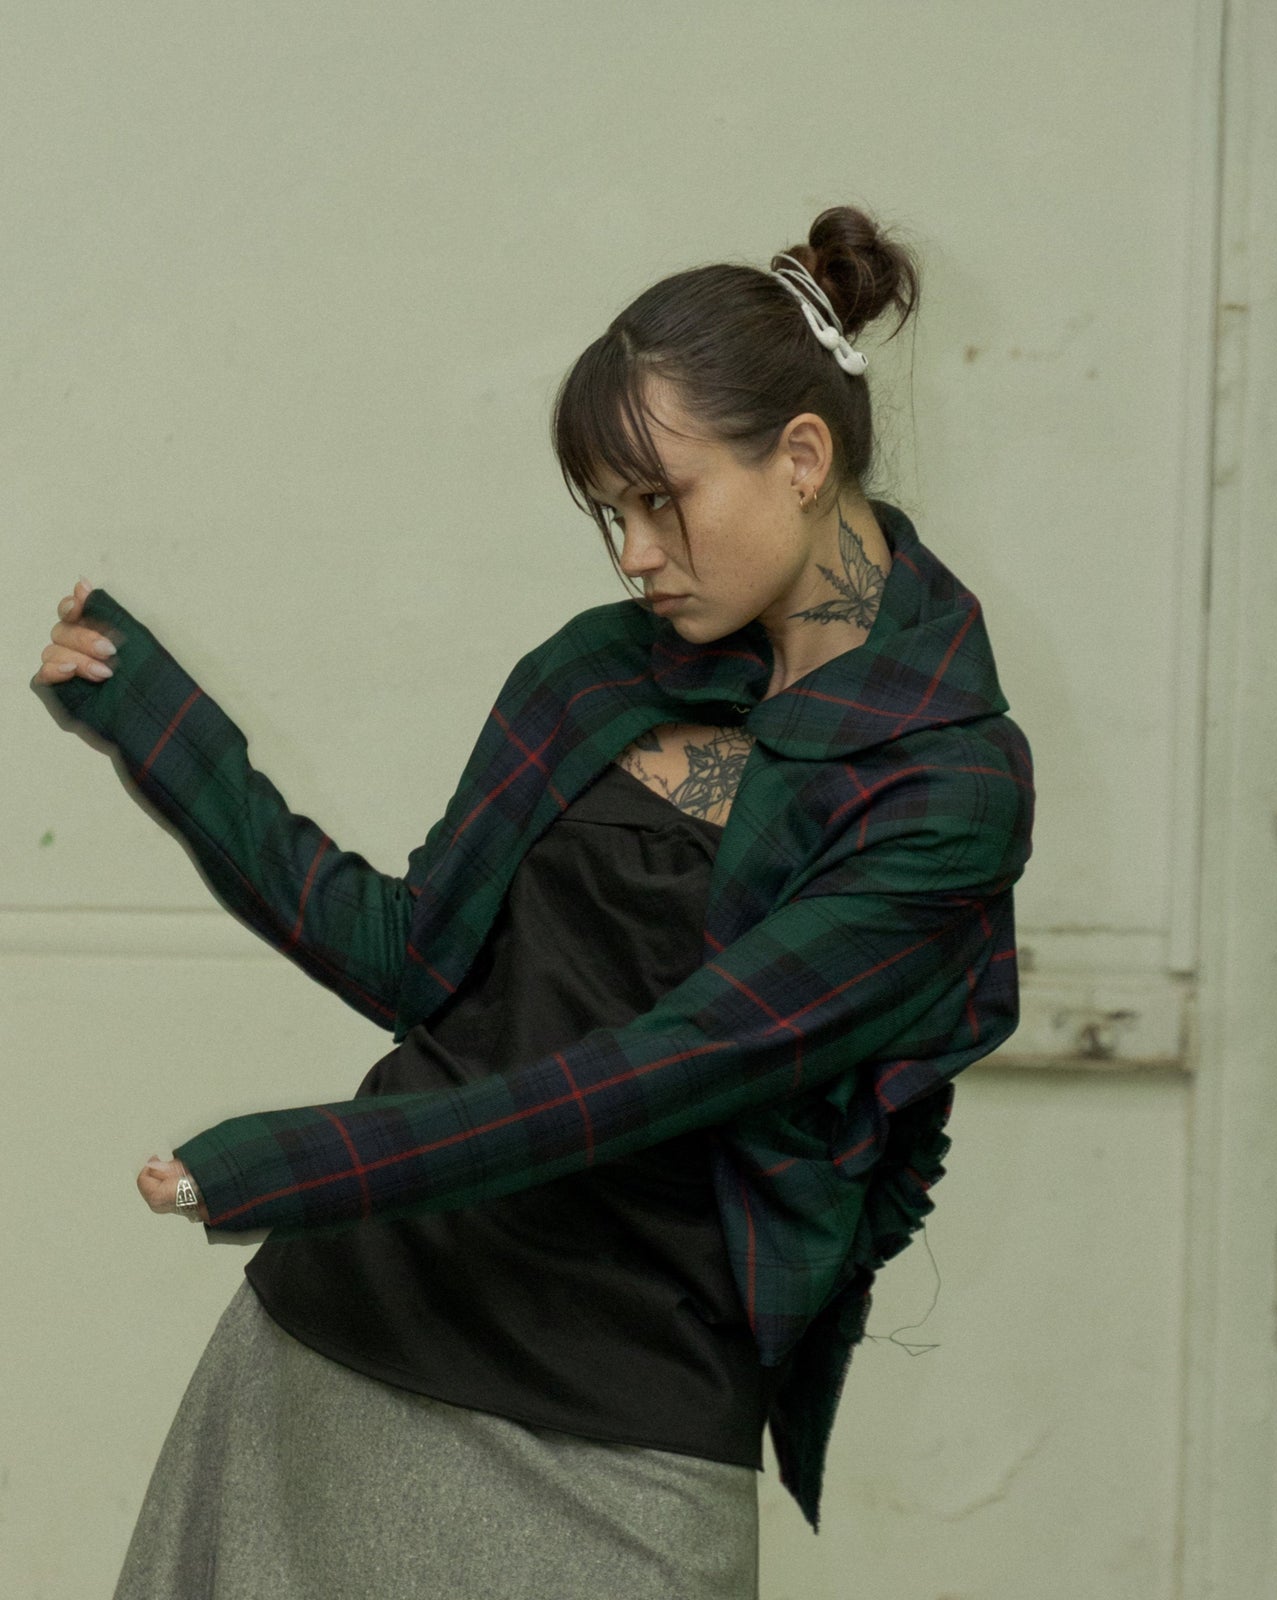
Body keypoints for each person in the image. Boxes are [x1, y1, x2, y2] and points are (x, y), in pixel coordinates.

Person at [33, 203, 1036, 1600]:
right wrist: (150, 722)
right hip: (339, 1338)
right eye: (611, 515)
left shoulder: (947, 792)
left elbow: (664, 1070)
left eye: (661, 500)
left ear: (803, 459)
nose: (634, 554)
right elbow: (410, 956)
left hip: (624, 1416)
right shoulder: (601, 670)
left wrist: (303, 1166)